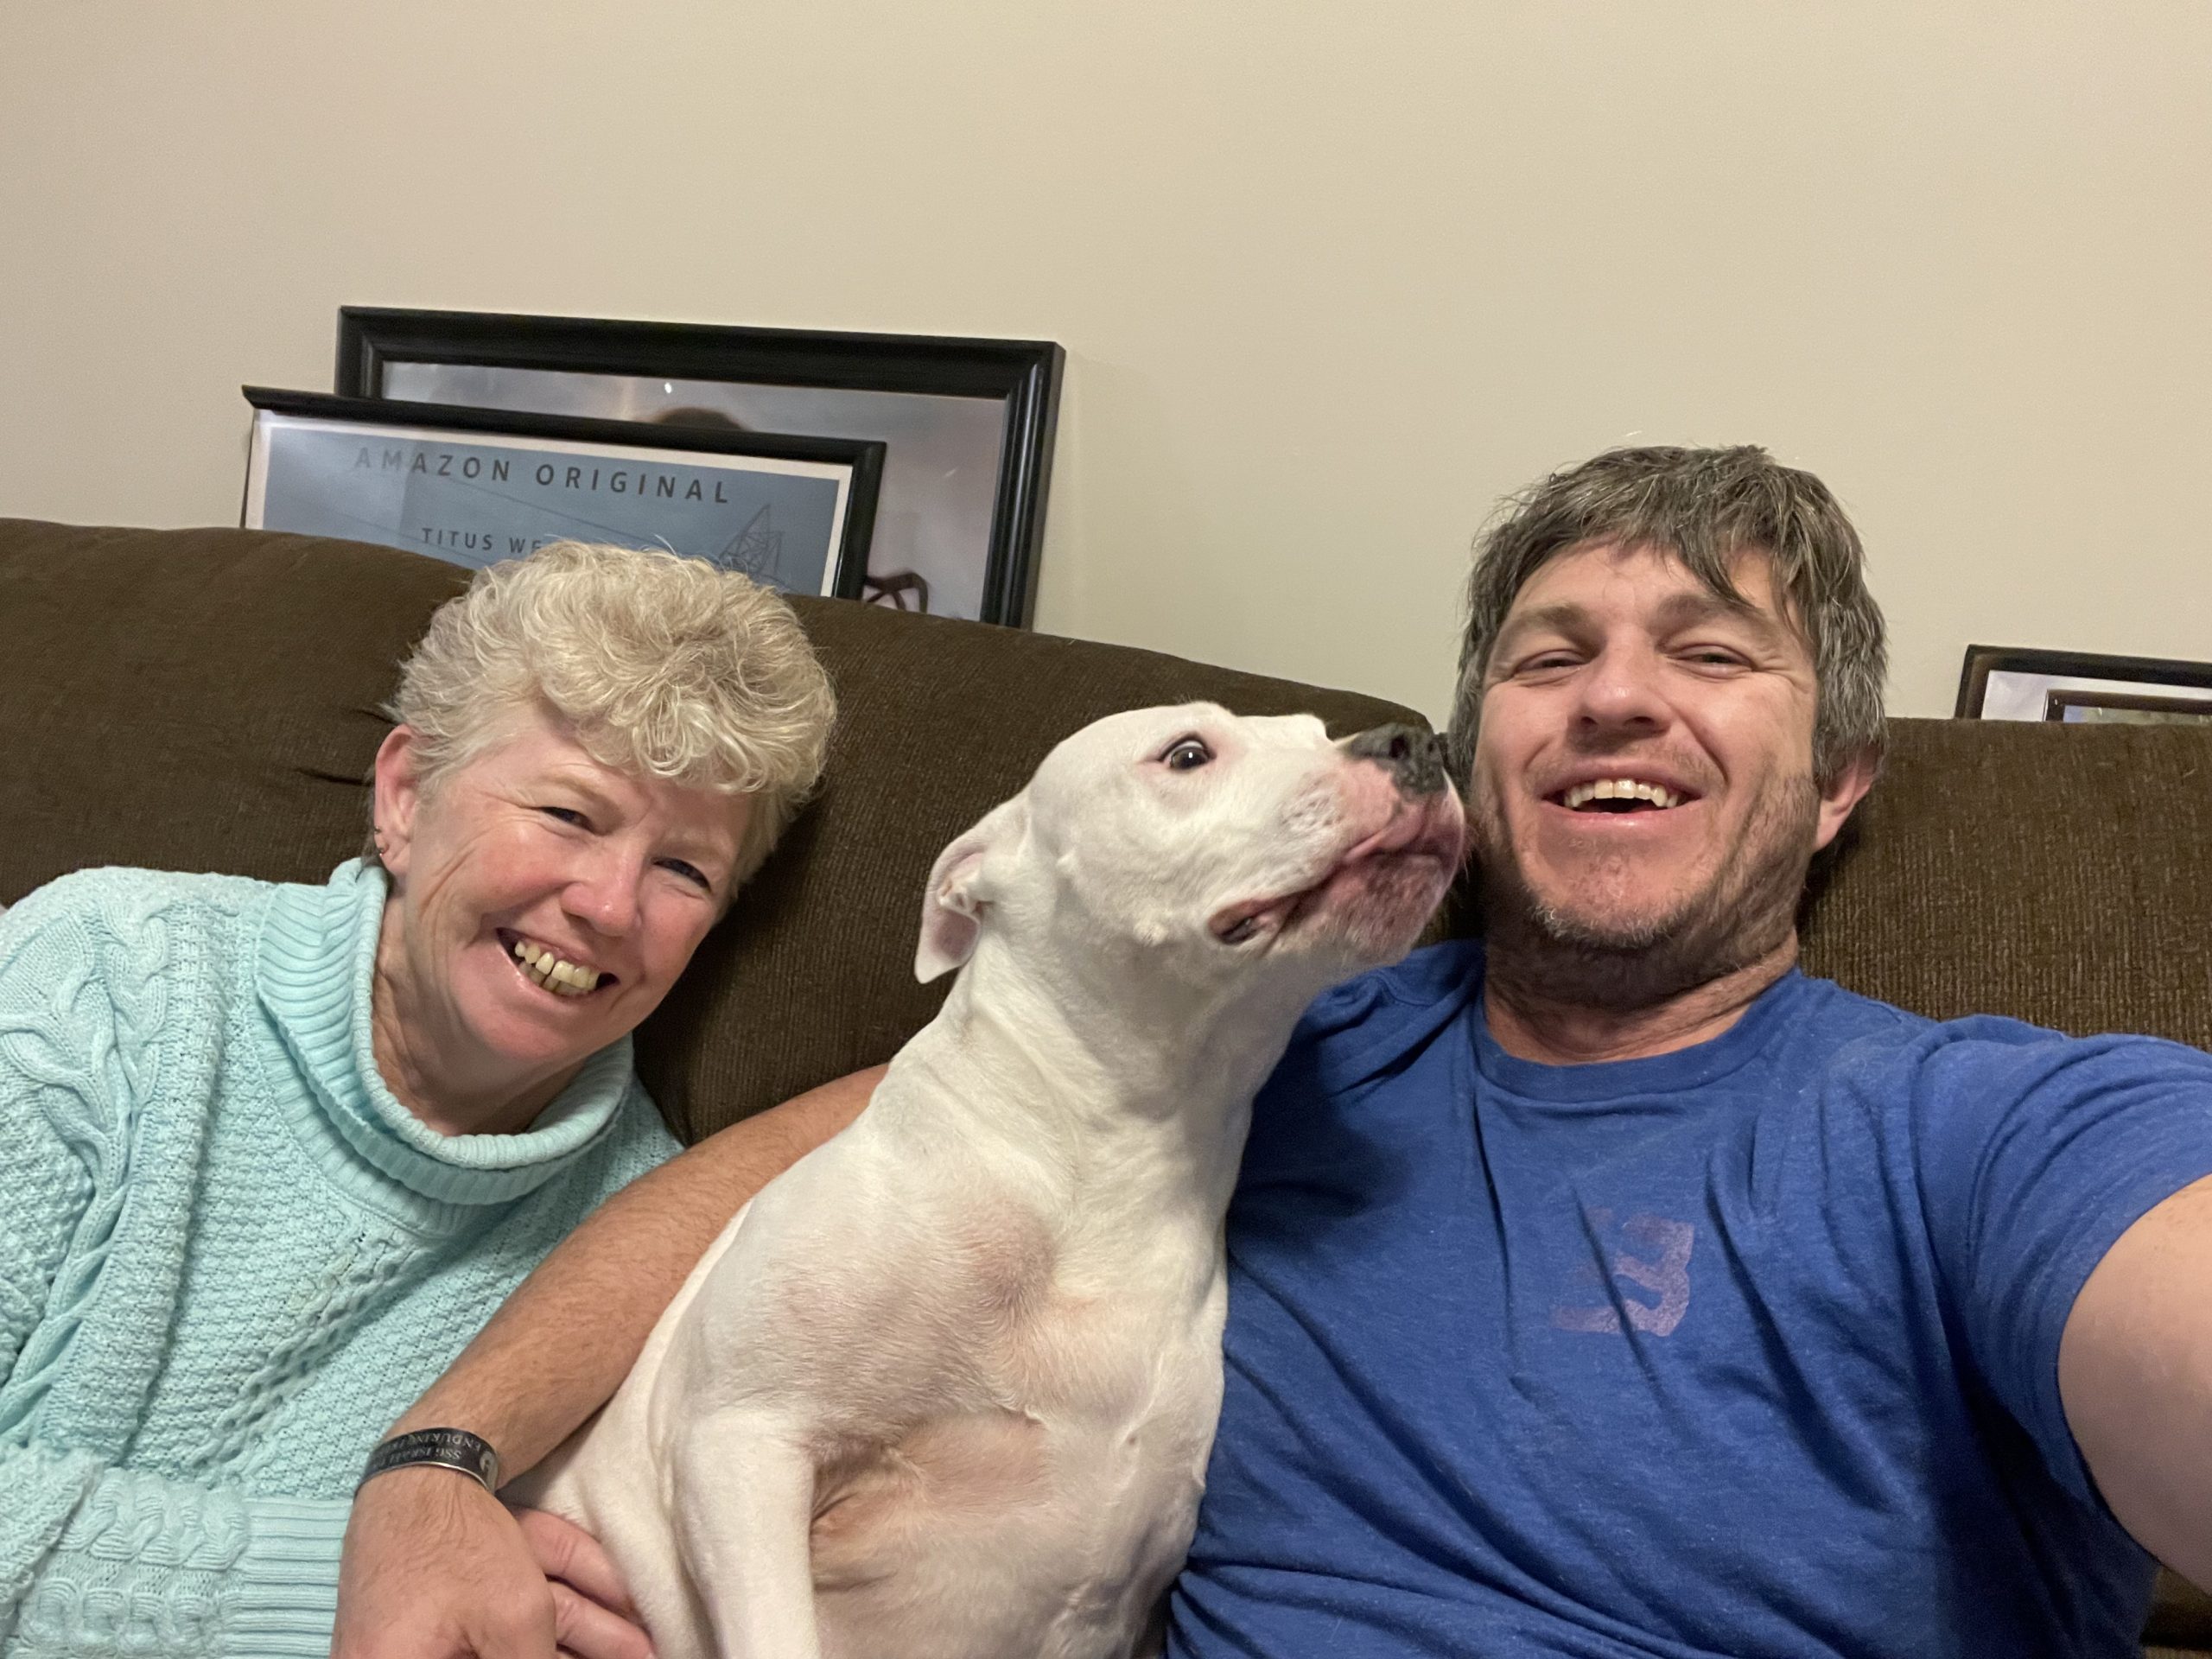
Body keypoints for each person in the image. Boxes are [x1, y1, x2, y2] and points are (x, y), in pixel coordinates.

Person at [330, 448, 2212, 1658]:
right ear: (1476, 754)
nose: (1614, 692)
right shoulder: (1260, 1031)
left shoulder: (1991, 1124)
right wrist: (435, 1463)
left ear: (1839, 783)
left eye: (1709, 654)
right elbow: (790, 1172)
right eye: (1548, 657)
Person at [0, 540, 855, 1658]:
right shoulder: (106, 981)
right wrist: (343, 1581)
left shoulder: (645, 1261)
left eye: (684, 870)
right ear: (404, 796)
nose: (607, 904)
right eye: (570, 813)